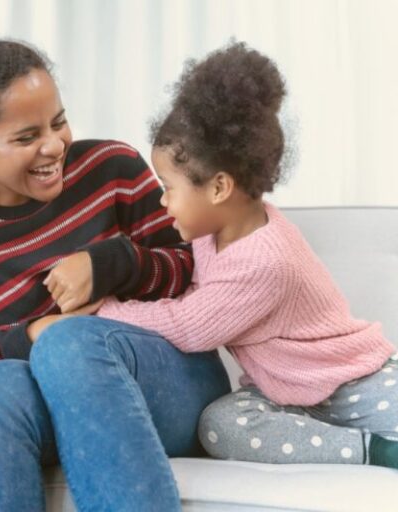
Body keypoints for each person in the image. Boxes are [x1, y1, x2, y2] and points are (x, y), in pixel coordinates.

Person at [0, 39, 231, 511]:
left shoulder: (113, 168)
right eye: (26, 138)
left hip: (168, 383)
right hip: (51, 403)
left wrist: (113, 263)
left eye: (59, 122)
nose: (54, 146)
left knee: (69, 344)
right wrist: (33, 332)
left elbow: (192, 268)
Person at [95, 41, 398, 469]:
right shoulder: (210, 233)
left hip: (354, 382)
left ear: (219, 188)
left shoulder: (265, 261)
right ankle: (364, 446)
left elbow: (187, 325)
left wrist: (102, 310)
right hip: (289, 396)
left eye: (169, 188)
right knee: (220, 425)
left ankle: (383, 450)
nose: (163, 202)